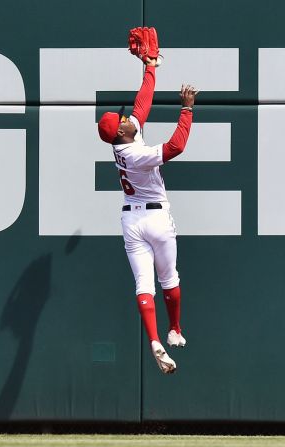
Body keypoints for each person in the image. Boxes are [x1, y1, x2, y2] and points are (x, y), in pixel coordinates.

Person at [97, 54, 198, 374]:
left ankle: (155, 339)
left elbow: (142, 103)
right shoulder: (136, 153)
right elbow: (176, 147)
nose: (128, 119)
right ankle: (174, 329)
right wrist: (187, 109)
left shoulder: (123, 140)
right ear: (121, 133)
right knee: (169, 278)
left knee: (144, 283)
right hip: (155, 219)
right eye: (123, 121)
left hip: (131, 220)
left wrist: (150, 67)